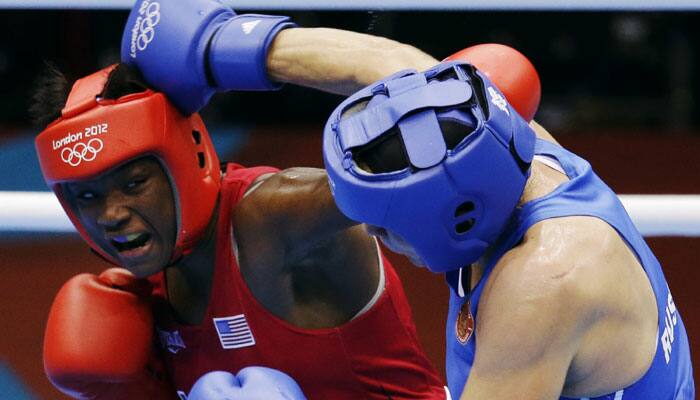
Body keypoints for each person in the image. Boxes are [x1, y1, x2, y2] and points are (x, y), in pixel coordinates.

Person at [33, 0, 460, 398]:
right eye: (87, 196)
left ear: (187, 159)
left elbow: (432, 139)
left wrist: (245, 50)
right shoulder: (140, 297)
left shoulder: (272, 216)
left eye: (134, 184)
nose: (110, 214)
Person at [322, 57, 696, 398]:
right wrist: (266, 47)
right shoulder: (507, 145)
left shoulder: (542, 283)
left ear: (457, 217)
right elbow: (381, 61)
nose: (372, 234)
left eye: (387, 225)